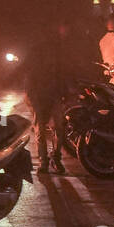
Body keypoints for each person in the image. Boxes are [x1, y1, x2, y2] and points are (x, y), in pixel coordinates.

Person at [24, 20, 74, 174]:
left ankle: (54, 159)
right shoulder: (36, 52)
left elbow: (63, 73)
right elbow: (29, 74)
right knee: (42, 129)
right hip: (40, 95)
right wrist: (31, 94)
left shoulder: (58, 51)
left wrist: (65, 93)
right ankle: (44, 161)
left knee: (58, 129)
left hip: (54, 94)